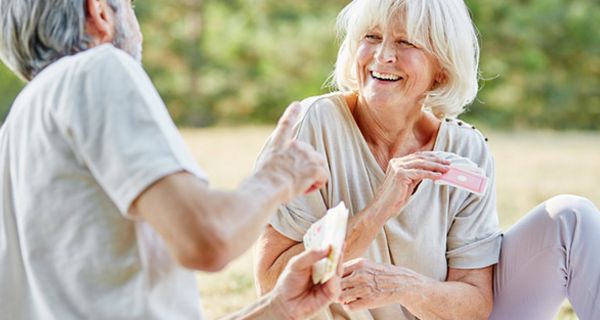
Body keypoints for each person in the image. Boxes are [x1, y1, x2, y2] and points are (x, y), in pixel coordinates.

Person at [254, 0, 600, 319]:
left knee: (572, 216)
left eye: (406, 43)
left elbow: (475, 303)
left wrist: (403, 286)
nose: (382, 55)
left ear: (442, 69)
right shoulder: (314, 126)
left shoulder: (467, 149)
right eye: (372, 37)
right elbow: (271, 286)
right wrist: (377, 211)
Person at [0, 0, 341, 319]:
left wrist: (275, 308)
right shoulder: (97, 68)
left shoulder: (14, 130)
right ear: (99, 12)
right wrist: (279, 176)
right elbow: (208, 240)